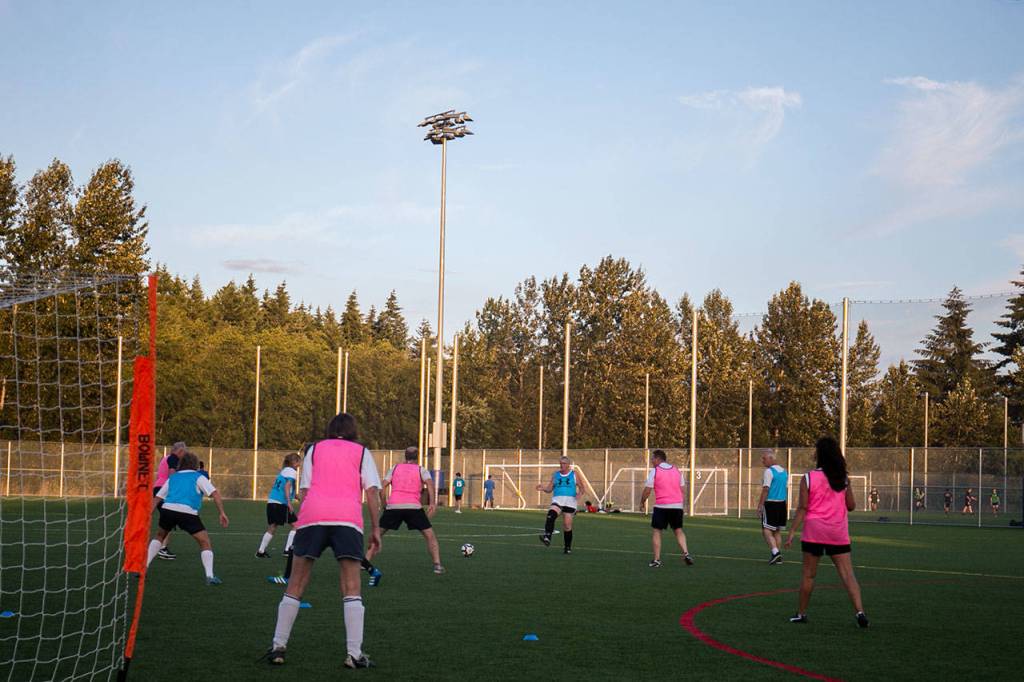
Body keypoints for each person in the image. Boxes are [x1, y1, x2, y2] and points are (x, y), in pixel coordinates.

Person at [264, 413, 381, 669]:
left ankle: (278, 647)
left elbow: (304, 491)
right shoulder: (362, 452)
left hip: (313, 517)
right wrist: (376, 528)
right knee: (352, 585)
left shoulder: (314, 450)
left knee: (296, 582)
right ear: (353, 430)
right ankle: (354, 654)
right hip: (347, 519)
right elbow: (371, 491)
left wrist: (306, 519)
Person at [784, 436, 868, 628]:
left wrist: (791, 533)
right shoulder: (843, 478)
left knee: (809, 574)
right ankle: (860, 612)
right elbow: (852, 506)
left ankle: (801, 613)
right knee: (848, 574)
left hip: (814, 531)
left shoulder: (808, 478)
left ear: (819, 454)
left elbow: (803, 508)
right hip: (837, 531)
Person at [362, 446, 444, 586]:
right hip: (413, 507)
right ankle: (437, 565)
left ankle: (365, 561)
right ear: (416, 457)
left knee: (378, 534)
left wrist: (384, 503)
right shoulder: (421, 469)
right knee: (430, 536)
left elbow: (382, 487)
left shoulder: (394, 468)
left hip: (394, 506)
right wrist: (432, 503)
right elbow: (430, 484)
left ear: (405, 456)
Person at [147, 451, 229, 585]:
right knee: (205, 542)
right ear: (195, 464)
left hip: (168, 510)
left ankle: (144, 567)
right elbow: (215, 494)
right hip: (187, 513)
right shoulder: (198, 477)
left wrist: (147, 515)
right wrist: (222, 513)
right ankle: (210, 576)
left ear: (181, 464)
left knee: (160, 536)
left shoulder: (173, 477)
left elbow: (157, 498)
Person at [639, 450, 693, 567]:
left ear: (658, 459)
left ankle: (657, 560)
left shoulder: (655, 471)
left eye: (652, 459)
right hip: (677, 506)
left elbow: (647, 490)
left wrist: (642, 502)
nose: (652, 461)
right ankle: (686, 553)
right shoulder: (676, 470)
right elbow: (682, 489)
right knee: (678, 530)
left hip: (661, 506)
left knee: (657, 531)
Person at [535, 456, 583, 554]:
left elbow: (582, 487)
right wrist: (543, 488)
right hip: (558, 500)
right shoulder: (556, 474)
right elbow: (549, 489)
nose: (562, 465)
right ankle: (547, 537)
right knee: (551, 515)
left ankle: (567, 547)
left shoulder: (574, 474)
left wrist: (579, 494)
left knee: (567, 526)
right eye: (560, 463)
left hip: (570, 501)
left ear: (568, 465)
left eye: (564, 463)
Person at [257, 454, 301, 559]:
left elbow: (285, 487)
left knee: (272, 526)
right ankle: (287, 550)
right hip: (280, 503)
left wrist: (296, 497)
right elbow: (287, 486)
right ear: (294, 462)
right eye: (299, 462)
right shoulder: (292, 471)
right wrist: (289, 503)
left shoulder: (284, 470)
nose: (300, 464)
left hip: (272, 501)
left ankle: (261, 551)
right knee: (297, 525)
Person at [152, 441, 187, 561]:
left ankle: (161, 547)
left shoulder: (166, 458)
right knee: (168, 521)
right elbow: (172, 475)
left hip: (159, 489)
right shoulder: (173, 458)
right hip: (164, 490)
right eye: (184, 452)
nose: (184, 455)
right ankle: (162, 548)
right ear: (180, 451)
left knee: (167, 520)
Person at [756, 450, 788, 565]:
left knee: (766, 530)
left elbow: (766, 489)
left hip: (771, 504)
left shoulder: (769, 472)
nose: (763, 461)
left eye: (764, 458)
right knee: (777, 531)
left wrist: (760, 505)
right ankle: (777, 556)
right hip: (782, 504)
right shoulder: (784, 471)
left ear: (771, 458)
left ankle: (775, 553)